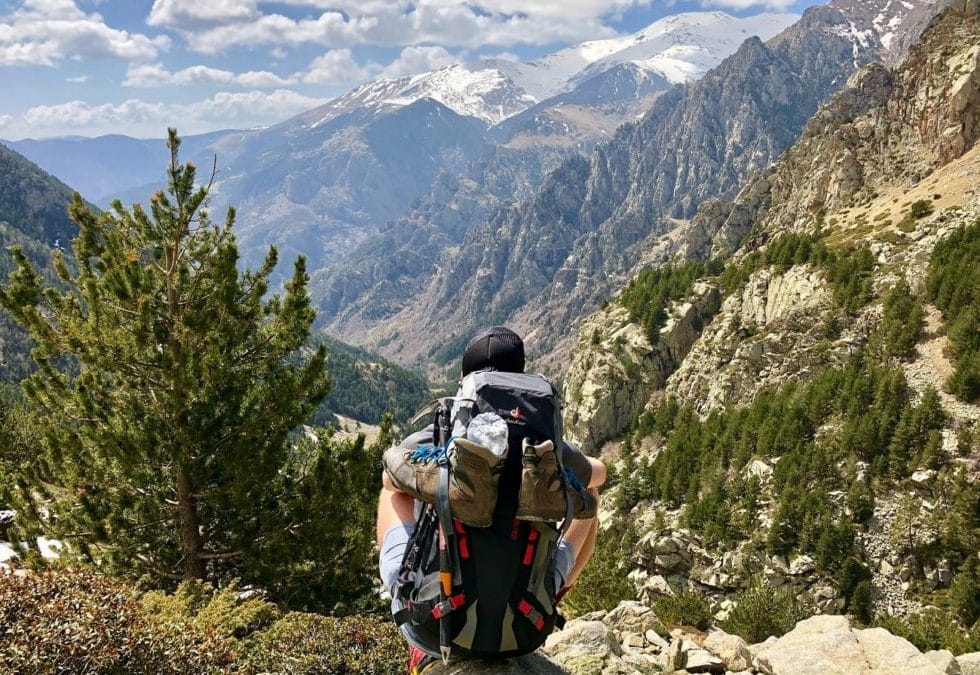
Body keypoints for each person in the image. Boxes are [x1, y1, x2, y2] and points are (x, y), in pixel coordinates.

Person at [376, 326, 606, 673]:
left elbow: (389, 474)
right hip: (525, 627)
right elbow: (600, 471)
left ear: (465, 379)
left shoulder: (446, 426)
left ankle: (413, 591)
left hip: (435, 628)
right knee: (589, 494)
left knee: (392, 490)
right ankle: (549, 595)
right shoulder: (543, 437)